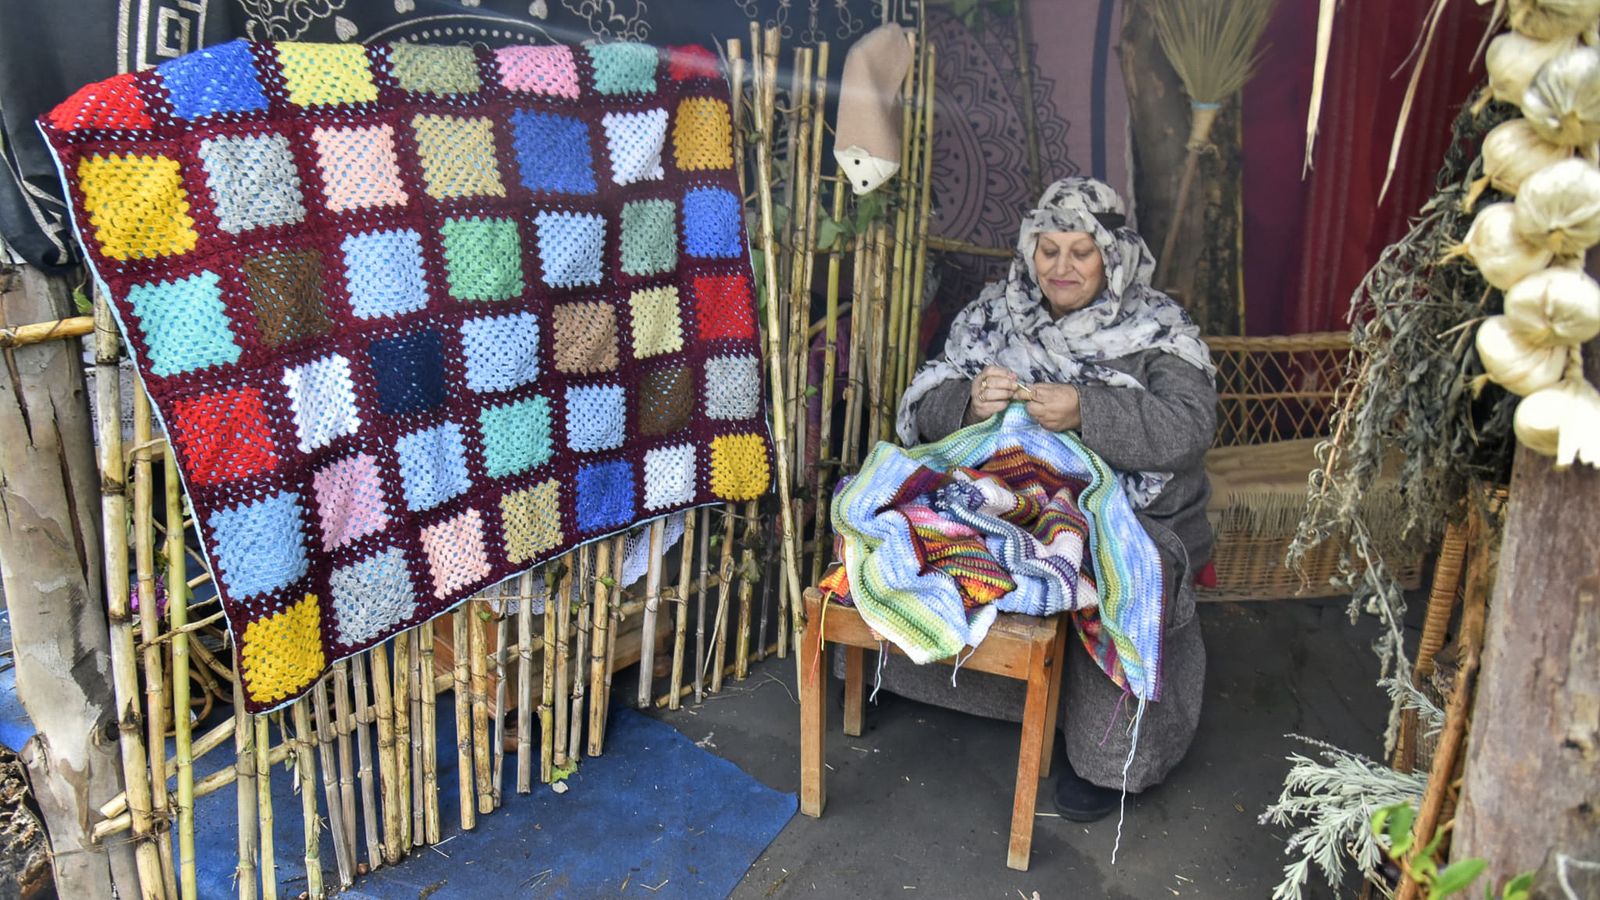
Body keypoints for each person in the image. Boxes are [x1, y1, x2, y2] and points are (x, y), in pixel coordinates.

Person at [884, 176, 1218, 822]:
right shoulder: (992, 314)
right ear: (1028, 249)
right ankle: (938, 679)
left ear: (1113, 257)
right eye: (1048, 249)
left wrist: (1088, 410)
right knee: (908, 519)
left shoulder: (1156, 329)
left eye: (1081, 251)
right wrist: (966, 402)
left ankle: (1104, 755)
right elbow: (926, 402)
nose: (1061, 267)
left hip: (1129, 504)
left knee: (1106, 567)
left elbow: (1189, 427)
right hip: (1010, 491)